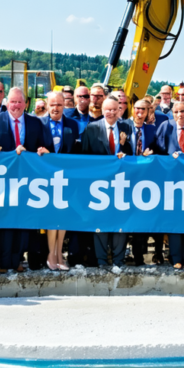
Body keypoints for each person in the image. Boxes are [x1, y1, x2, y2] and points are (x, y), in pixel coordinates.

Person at [0, 87, 52, 273]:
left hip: (28, 182)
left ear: (25, 103)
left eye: (19, 102)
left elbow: (45, 146)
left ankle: (17, 261)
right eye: (12, 102)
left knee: (23, 222)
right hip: (3, 181)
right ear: (7, 103)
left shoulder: (36, 123)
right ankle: (4, 262)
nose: (15, 106)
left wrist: (42, 151)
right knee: (6, 222)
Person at [80, 96, 134, 268]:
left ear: (120, 110)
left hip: (121, 183)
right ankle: (102, 260)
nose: (111, 112)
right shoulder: (91, 128)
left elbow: (133, 154)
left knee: (121, 222)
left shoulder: (127, 126)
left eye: (114, 109)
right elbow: (85, 157)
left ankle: (118, 259)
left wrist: (124, 148)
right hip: (99, 185)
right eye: (107, 109)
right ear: (102, 110)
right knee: (100, 222)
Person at [37, 92, 79, 271]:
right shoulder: (39, 124)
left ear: (65, 105)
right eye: (52, 104)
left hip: (66, 178)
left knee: (64, 217)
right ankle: (51, 253)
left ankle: (60, 252)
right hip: (45, 179)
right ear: (47, 105)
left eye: (59, 105)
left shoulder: (73, 125)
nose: (56, 108)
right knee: (51, 217)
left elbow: (76, 153)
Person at [156, 101, 184, 268]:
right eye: (176, 112)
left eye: (182, 111)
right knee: (174, 221)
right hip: (171, 182)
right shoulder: (165, 127)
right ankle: (176, 259)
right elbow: (159, 152)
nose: (179, 115)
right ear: (172, 113)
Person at [126, 98, 160, 266]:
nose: (139, 112)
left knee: (142, 219)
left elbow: (160, 153)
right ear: (133, 109)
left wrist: (150, 156)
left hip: (146, 182)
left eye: (143, 110)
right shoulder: (122, 126)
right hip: (125, 181)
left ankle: (139, 257)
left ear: (148, 113)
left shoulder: (153, 130)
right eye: (137, 109)